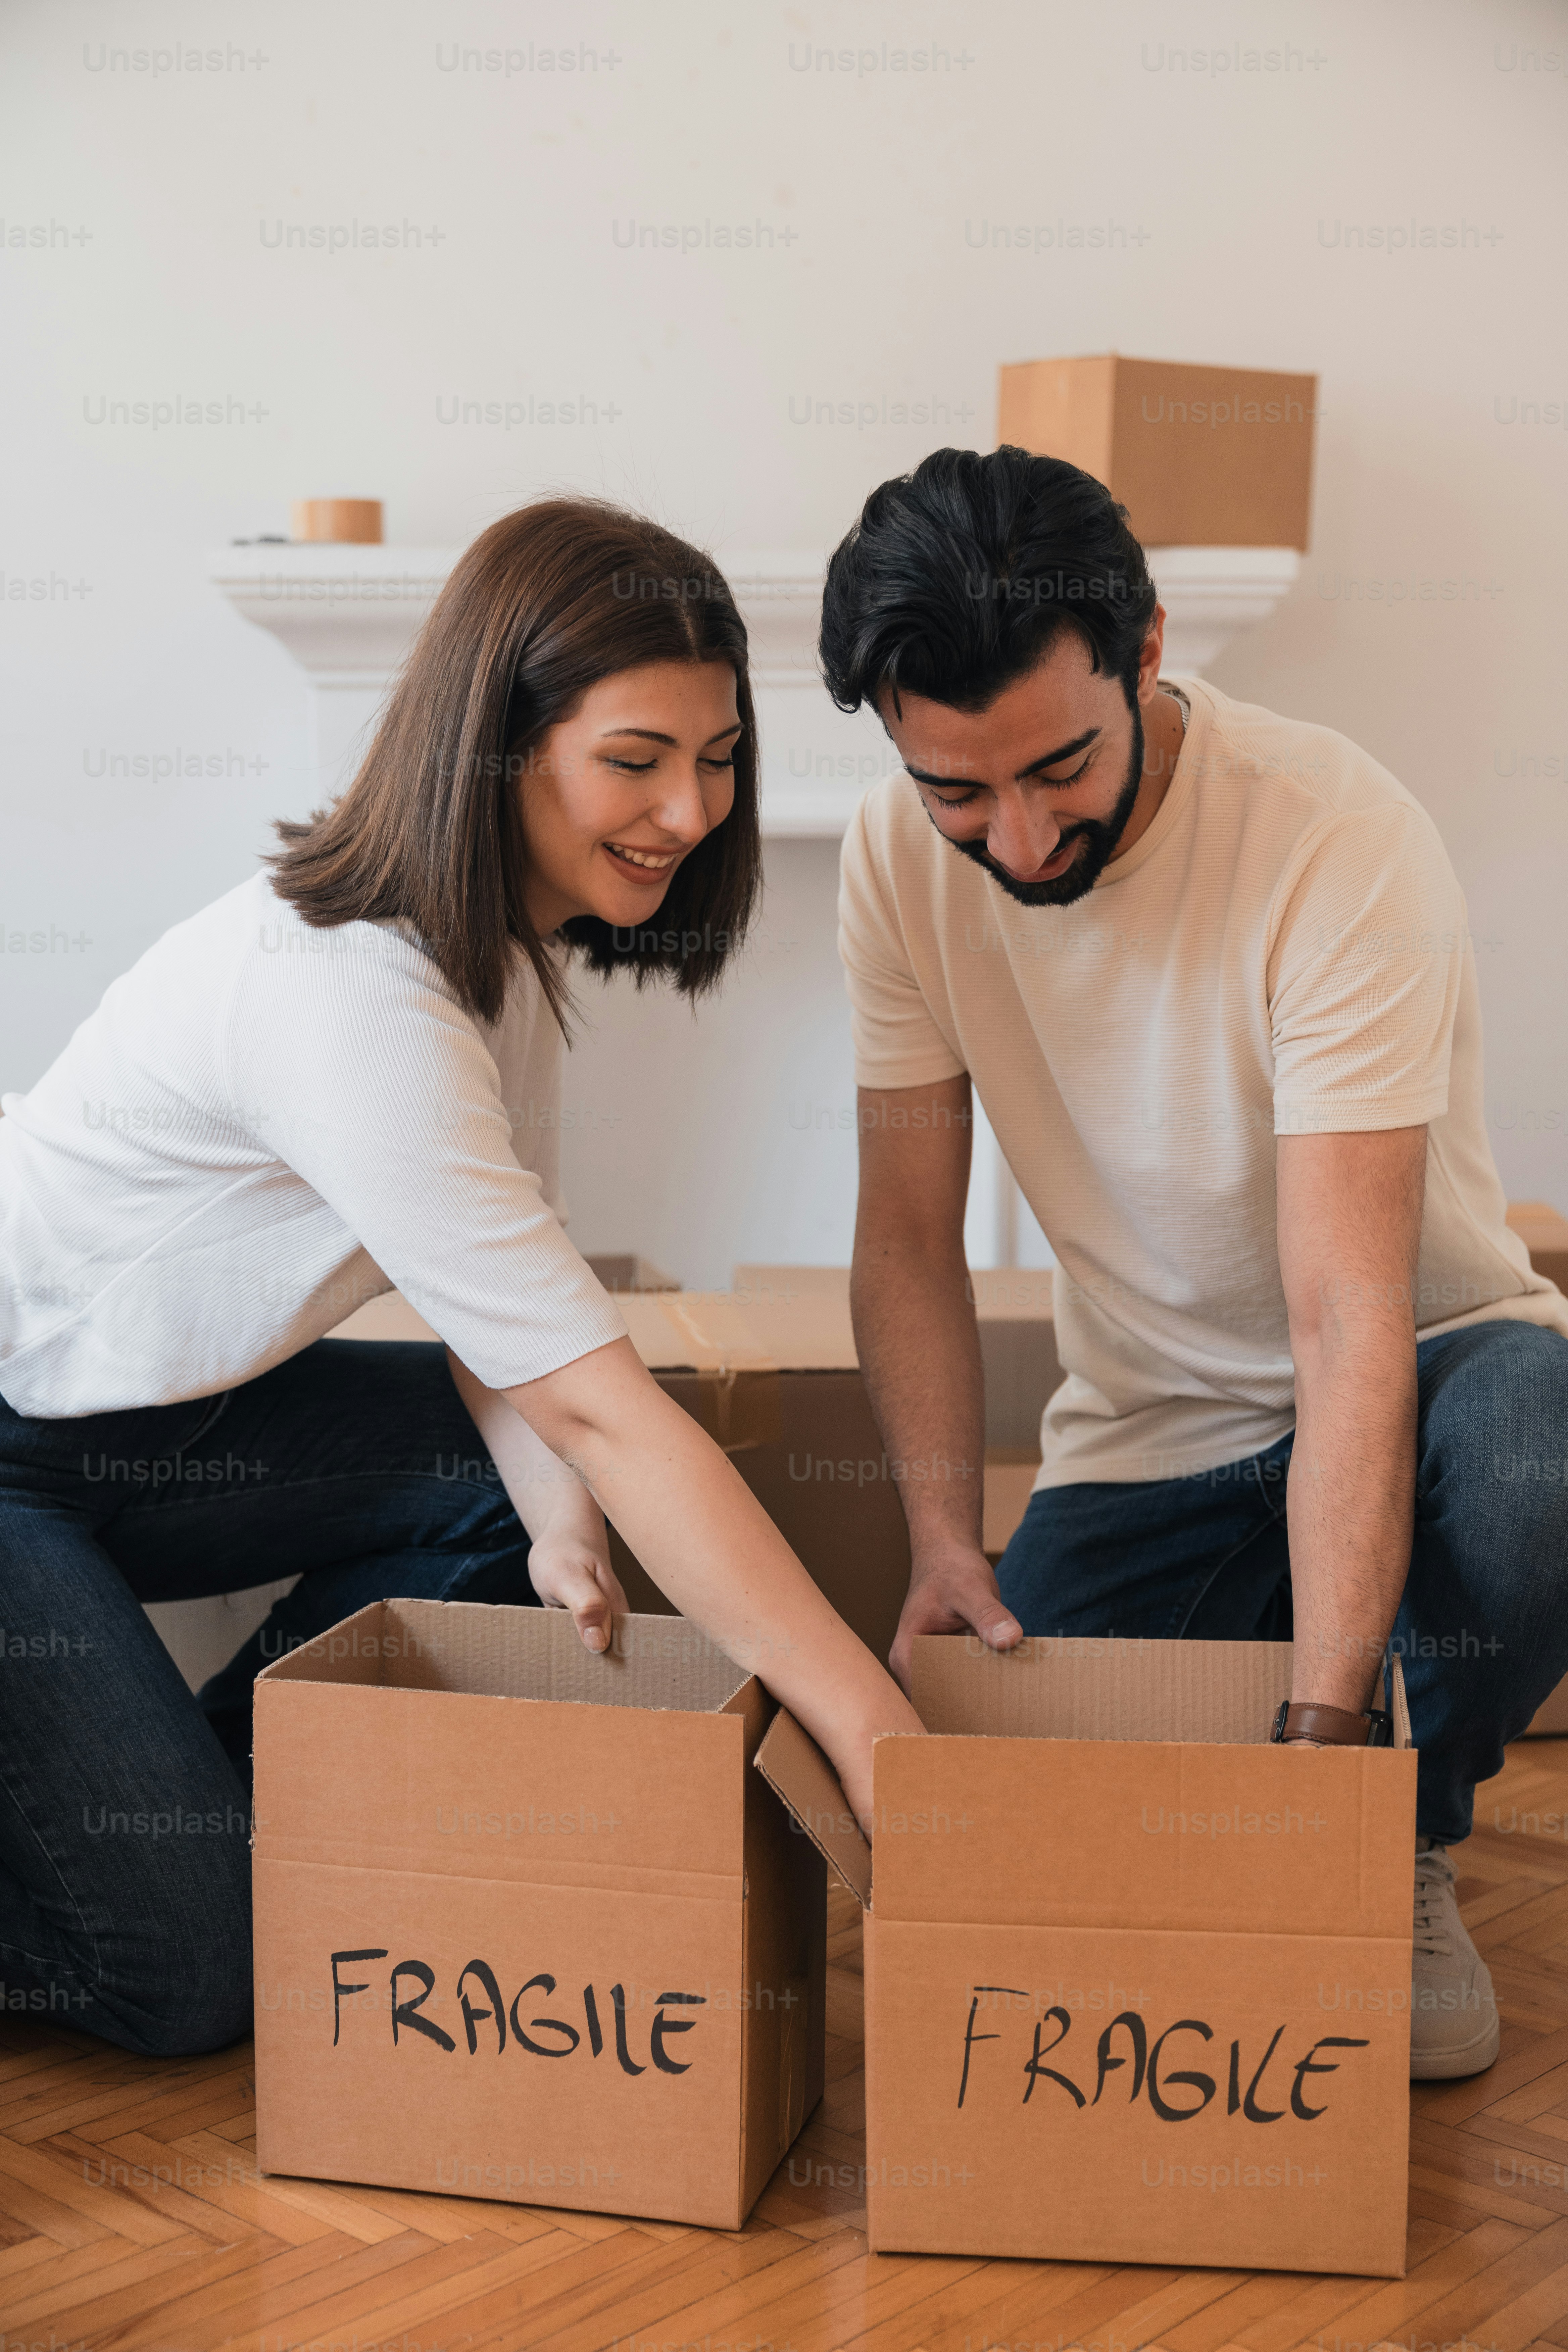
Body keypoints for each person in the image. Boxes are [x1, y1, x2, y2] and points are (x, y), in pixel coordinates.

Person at [0, 497, 921, 2058]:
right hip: (20, 1442)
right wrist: (875, 1728)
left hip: (155, 1424)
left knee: (547, 1501)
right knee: (194, 1980)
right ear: (499, 747)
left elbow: (512, 1337)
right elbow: (602, 1412)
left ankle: (192, 1820)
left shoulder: (492, 962)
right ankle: (158, 1880)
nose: (691, 810)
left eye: (718, 758)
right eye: (636, 760)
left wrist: (553, 1526)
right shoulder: (356, 1002)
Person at [822, 445, 1568, 2082]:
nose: (1021, 841)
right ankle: (1294, 1731)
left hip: (1423, 1367)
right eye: (959, 793)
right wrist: (942, 1540)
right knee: (1043, 1838)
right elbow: (905, 1239)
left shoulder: (1333, 838)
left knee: (1544, 1458)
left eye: (1058, 769)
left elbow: (1346, 1310)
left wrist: (1322, 1759)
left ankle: (1396, 1830)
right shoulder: (890, 864)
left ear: (1146, 650)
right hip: (1156, 1433)